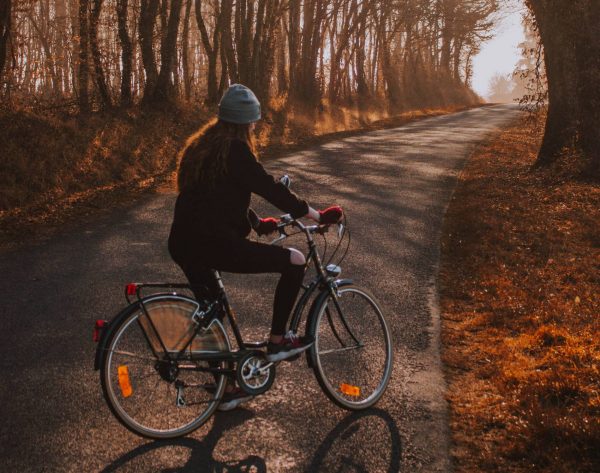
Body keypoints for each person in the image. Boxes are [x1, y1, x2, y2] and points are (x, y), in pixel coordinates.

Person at [168, 84, 343, 410]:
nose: (254, 127)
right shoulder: (235, 150)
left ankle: (225, 389)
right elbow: (270, 188)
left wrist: (258, 224)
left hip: (183, 242)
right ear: (246, 122)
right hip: (213, 243)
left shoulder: (202, 147)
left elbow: (217, 196)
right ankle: (277, 342)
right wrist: (318, 215)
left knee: (212, 312)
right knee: (294, 260)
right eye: (253, 122)